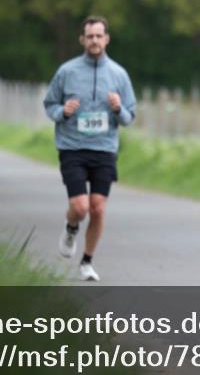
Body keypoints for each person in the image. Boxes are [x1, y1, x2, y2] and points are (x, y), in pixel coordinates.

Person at [43, 15, 136, 282]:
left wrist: (118, 108)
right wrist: (63, 111)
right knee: (80, 206)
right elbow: (49, 104)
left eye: (99, 36)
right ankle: (71, 228)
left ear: (106, 39)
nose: (94, 40)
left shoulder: (119, 74)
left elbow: (130, 116)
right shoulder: (67, 71)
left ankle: (87, 261)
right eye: (90, 36)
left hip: (105, 149)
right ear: (82, 40)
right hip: (72, 147)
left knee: (98, 208)